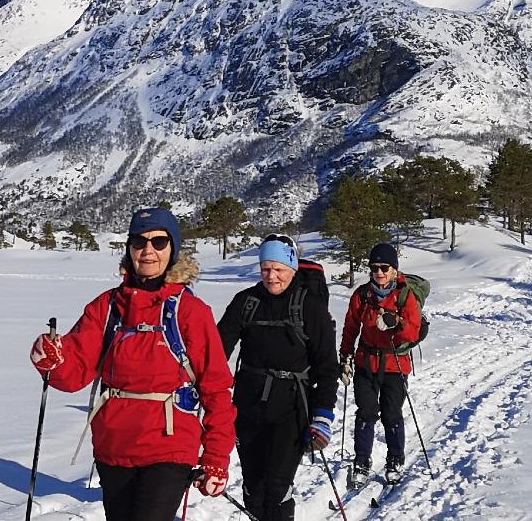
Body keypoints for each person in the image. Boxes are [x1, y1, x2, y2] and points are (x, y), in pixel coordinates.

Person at [30, 208, 235, 520]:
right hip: (115, 446)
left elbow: (216, 389)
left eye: (159, 242)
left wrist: (216, 457)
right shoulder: (107, 307)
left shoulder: (190, 312)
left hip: (170, 445)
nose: (148, 250)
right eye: (139, 242)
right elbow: (75, 373)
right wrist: (52, 360)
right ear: (129, 248)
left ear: (173, 249)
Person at [218, 239, 339, 521]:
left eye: (278, 269)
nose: (271, 276)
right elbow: (217, 350)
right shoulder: (246, 302)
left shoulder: (310, 307)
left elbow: (327, 367)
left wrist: (322, 416)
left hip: (292, 409)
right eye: (265, 268)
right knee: (253, 487)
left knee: (276, 487)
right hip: (247, 407)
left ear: (292, 268)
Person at [338, 242, 424, 488]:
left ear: (394, 269)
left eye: (384, 267)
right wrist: (345, 356)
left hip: (395, 364)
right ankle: (362, 461)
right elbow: (351, 327)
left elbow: (413, 333)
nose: (379, 272)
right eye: (374, 267)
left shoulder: (405, 296)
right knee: (365, 413)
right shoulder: (362, 295)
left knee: (391, 414)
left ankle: (395, 459)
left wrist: (397, 322)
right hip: (366, 363)